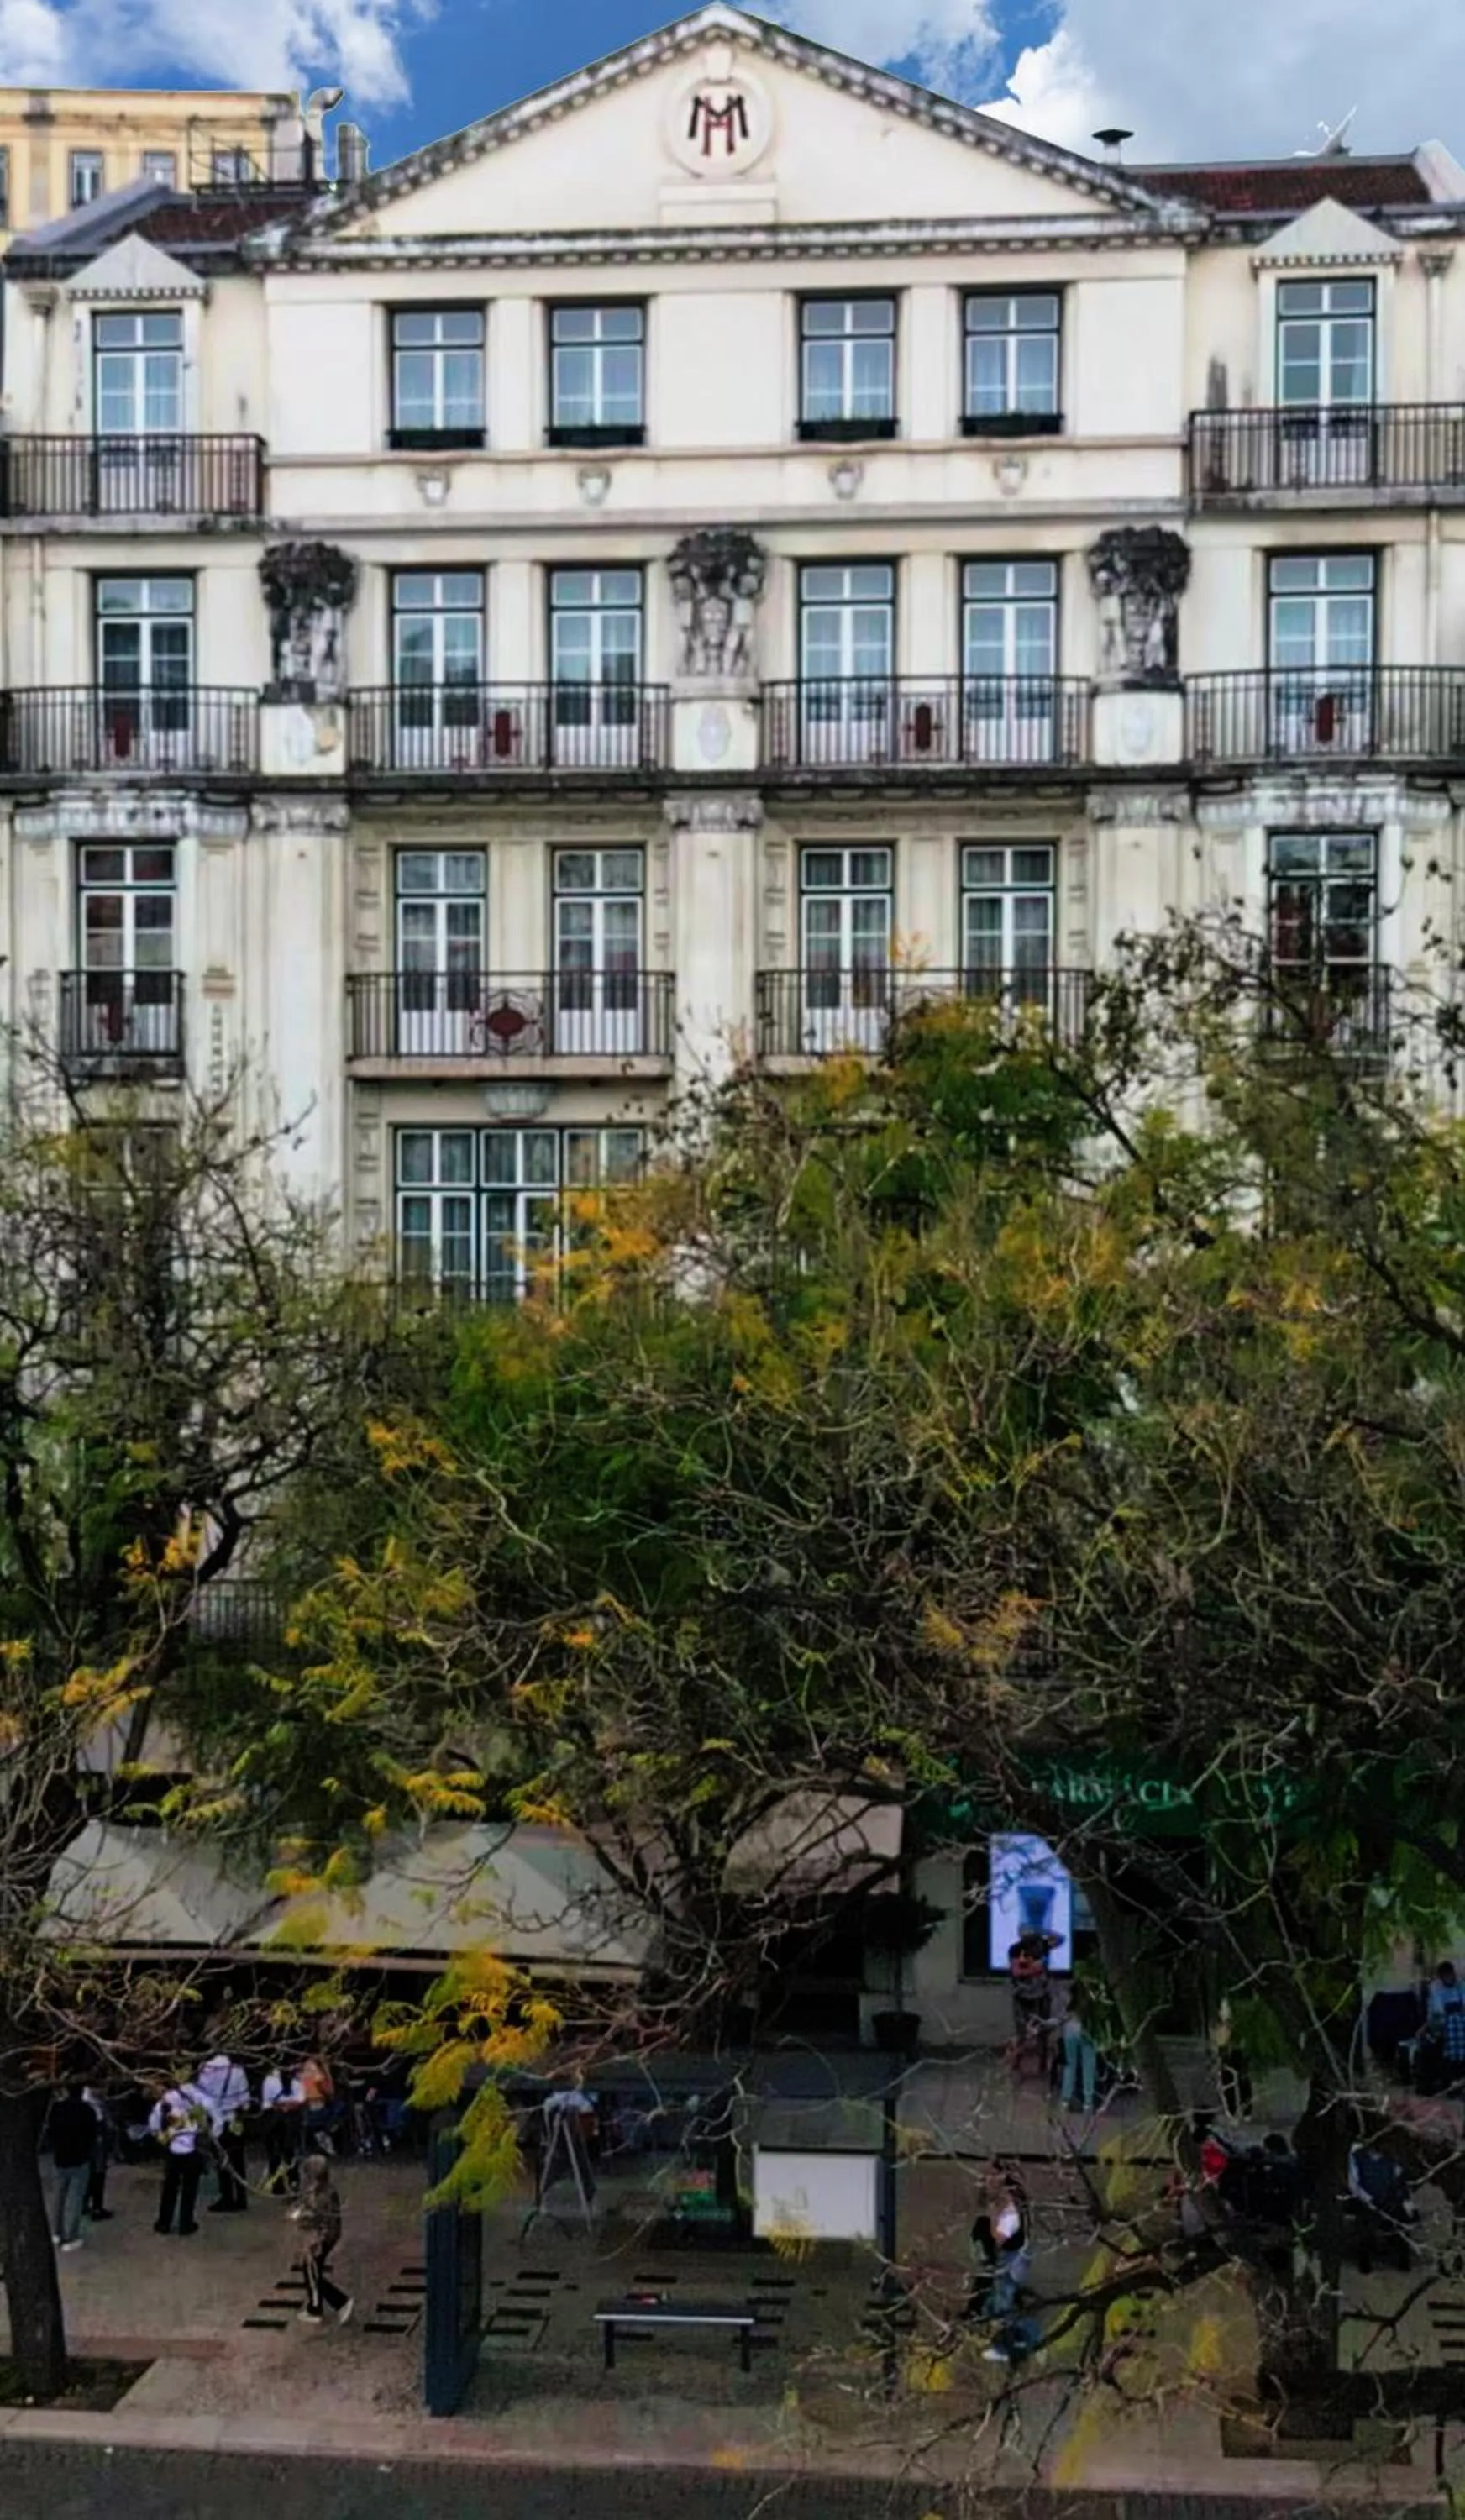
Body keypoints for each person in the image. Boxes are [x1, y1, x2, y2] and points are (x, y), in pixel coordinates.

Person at [290, 2153, 353, 2328]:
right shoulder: (322, 2190)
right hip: (324, 2236)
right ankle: (317, 2305)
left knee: (312, 2271)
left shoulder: (322, 2195)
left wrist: (302, 2219)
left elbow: (316, 2217)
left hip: (320, 2239)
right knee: (311, 2269)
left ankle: (325, 2306)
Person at [150, 2077, 211, 2235]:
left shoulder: (163, 2106)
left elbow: (154, 2127)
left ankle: (164, 2222)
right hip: (192, 2151)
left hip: (172, 2152)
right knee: (189, 2189)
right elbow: (204, 2126)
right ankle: (186, 2223)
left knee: (169, 2188)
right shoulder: (195, 2104)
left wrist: (164, 2137)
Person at [196, 2049, 251, 2212]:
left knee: (222, 2161)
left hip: (217, 2120)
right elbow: (245, 2100)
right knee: (238, 2160)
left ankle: (227, 2197)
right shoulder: (238, 2070)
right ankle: (242, 2198)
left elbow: (201, 2097)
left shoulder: (206, 2069)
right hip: (234, 2119)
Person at [48, 2078, 99, 2253]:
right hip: (80, 2159)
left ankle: (56, 2232)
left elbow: (51, 2131)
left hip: (60, 2158)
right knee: (75, 2200)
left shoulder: (57, 2108)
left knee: (58, 2198)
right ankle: (71, 2236)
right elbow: (93, 2134)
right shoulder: (87, 2110)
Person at [1007, 1925, 1063, 2067]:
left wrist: (1044, 1931)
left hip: (1041, 1995)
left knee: (1042, 2032)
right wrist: (1034, 1969)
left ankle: (1042, 2063)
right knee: (1021, 2032)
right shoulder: (1015, 1949)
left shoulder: (1042, 1945)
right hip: (1022, 1996)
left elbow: (1060, 1939)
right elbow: (1016, 1972)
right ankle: (1017, 2062)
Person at [261, 2062, 306, 2194]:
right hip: (277, 2120)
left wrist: (285, 2105)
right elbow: (268, 2103)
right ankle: (280, 2184)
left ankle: (290, 2184)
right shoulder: (270, 2080)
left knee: (289, 2154)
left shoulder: (295, 2081)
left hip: (289, 2120)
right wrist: (284, 2105)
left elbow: (300, 2099)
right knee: (278, 2154)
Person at [1059, 1988, 1099, 2115]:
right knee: (1089, 2066)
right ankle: (1088, 2102)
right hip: (1087, 2032)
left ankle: (1066, 2099)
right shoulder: (1092, 2003)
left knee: (1070, 2066)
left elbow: (1063, 2018)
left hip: (1070, 2032)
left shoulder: (1070, 2005)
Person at [1428, 1961, 1465, 2087]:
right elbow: (1438, 2009)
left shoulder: (1460, 1984)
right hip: (1439, 2020)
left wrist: (1456, 2008)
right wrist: (1454, 2008)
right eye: (1446, 1976)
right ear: (1441, 1976)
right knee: (1451, 2025)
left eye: (1451, 1975)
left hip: (1459, 2017)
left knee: (1459, 2023)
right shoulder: (1435, 1987)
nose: (1449, 1978)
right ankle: (1451, 2069)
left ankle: (1460, 2068)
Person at [82, 2084, 114, 2222]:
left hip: (93, 2137)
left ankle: (85, 2204)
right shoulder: (90, 2104)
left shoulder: (96, 2101)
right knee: (97, 2172)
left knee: (91, 2173)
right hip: (95, 2137)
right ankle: (96, 2207)